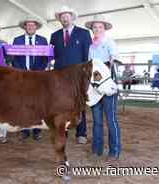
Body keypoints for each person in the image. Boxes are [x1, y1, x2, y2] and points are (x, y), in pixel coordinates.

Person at [50, 6, 92, 144]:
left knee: (79, 104)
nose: (64, 18)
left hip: (77, 77)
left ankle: (82, 132)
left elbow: (88, 56)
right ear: (60, 19)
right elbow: (51, 56)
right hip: (59, 77)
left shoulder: (84, 33)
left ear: (72, 17)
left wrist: (86, 76)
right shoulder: (54, 35)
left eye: (67, 16)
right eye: (62, 16)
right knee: (60, 105)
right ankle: (63, 130)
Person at [85, 15, 121, 159]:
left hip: (107, 84)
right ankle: (97, 149)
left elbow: (113, 60)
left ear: (104, 29)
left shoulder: (110, 42)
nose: (97, 29)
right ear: (92, 29)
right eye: (95, 27)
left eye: (100, 27)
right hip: (94, 86)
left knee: (111, 119)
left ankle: (115, 150)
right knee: (97, 120)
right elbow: (88, 63)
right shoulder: (90, 45)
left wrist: (105, 67)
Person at [12, 16, 49, 140]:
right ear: (25, 27)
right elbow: (13, 58)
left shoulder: (43, 40)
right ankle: (25, 130)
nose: (30, 27)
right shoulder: (17, 40)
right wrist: (21, 71)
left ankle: (37, 130)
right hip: (21, 76)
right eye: (28, 25)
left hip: (38, 77)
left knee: (38, 103)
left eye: (33, 25)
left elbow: (46, 59)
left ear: (36, 27)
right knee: (23, 103)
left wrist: (38, 71)